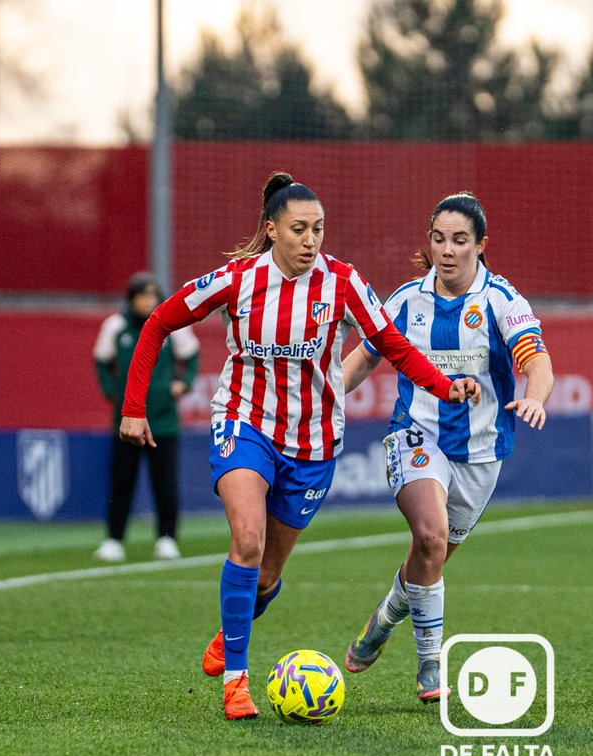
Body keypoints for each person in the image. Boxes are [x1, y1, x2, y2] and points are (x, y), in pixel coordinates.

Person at [119, 173, 480, 721]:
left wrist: (444, 385)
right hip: (246, 423)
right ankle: (237, 682)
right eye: (299, 229)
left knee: (265, 573)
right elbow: (159, 322)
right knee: (246, 540)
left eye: (319, 229)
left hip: (313, 443)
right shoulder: (238, 280)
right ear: (271, 230)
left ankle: (230, 629)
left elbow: (393, 346)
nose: (312, 241)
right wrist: (133, 407)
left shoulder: (342, 281)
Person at [337, 192, 554, 702]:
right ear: (429, 243)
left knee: (429, 558)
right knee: (430, 537)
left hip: (481, 453)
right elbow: (364, 359)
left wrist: (535, 398)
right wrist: (321, 397)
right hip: (416, 434)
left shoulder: (501, 300)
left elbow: (536, 360)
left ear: (481, 245)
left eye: (460, 240)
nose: (448, 250)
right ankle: (431, 662)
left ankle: (386, 614)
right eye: (439, 239)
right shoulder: (405, 301)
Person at [93, 272, 198, 562]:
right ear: (131, 299)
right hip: (126, 421)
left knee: (164, 482)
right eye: (143, 296)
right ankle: (114, 539)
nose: (149, 301)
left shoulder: (170, 322)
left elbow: (191, 357)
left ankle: (167, 538)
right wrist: (111, 391)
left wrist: (183, 383)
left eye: (153, 295)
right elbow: (102, 361)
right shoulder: (115, 327)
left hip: (163, 420)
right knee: (121, 482)